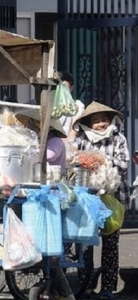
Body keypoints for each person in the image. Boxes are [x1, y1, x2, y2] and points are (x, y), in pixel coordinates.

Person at [72, 101, 129, 300]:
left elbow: (124, 163)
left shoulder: (118, 138)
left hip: (113, 197)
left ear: (110, 120)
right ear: (89, 123)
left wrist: (103, 160)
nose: (100, 124)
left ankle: (108, 288)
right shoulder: (81, 139)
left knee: (111, 245)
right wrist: (86, 160)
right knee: (85, 243)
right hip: (87, 199)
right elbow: (73, 160)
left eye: (103, 120)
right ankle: (85, 286)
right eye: (95, 121)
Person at [15, 108, 67, 174]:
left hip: (55, 179)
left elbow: (50, 155)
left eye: (32, 126)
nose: (29, 128)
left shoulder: (55, 140)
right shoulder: (40, 140)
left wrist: (31, 152)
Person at [58, 71, 85, 140]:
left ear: (71, 88)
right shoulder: (35, 103)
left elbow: (75, 127)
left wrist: (68, 143)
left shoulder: (77, 106)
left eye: (64, 88)